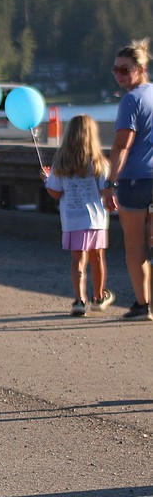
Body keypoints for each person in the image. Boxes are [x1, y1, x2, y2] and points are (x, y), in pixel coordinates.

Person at [102, 38, 153, 321]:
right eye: (115, 70)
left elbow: (122, 145)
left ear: (141, 68)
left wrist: (110, 184)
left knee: (135, 248)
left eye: (125, 69)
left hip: (135, 181)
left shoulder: (131, 101)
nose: (119, 75)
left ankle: (142, 305)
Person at [44, 115, 113, 316]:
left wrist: (46, 180)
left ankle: (79, 300)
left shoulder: (61, 162)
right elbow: (105, 190)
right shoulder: (99, 162)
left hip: (73, 219)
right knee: (98, 257)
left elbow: (55, 192)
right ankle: (98, 296)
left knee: (77, 260)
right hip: (96, 219)